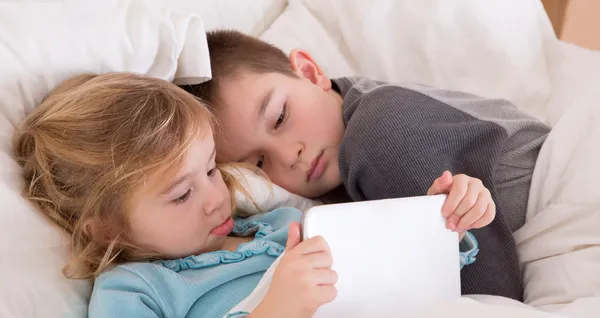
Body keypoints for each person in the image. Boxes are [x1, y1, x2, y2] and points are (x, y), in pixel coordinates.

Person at [14, 72, 490, 318]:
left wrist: (441, 222)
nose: (215, 199)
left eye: (211, 170)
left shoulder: (279, 225)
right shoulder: (129, 294)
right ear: (109, 227)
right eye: (181, 194)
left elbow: (384, 278)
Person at [181, 29, 552, 301]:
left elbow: (492, 301)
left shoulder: (379, 132)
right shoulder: (348, 140)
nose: (288, 155)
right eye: (259, 164)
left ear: (310, 73)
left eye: (280, 117)